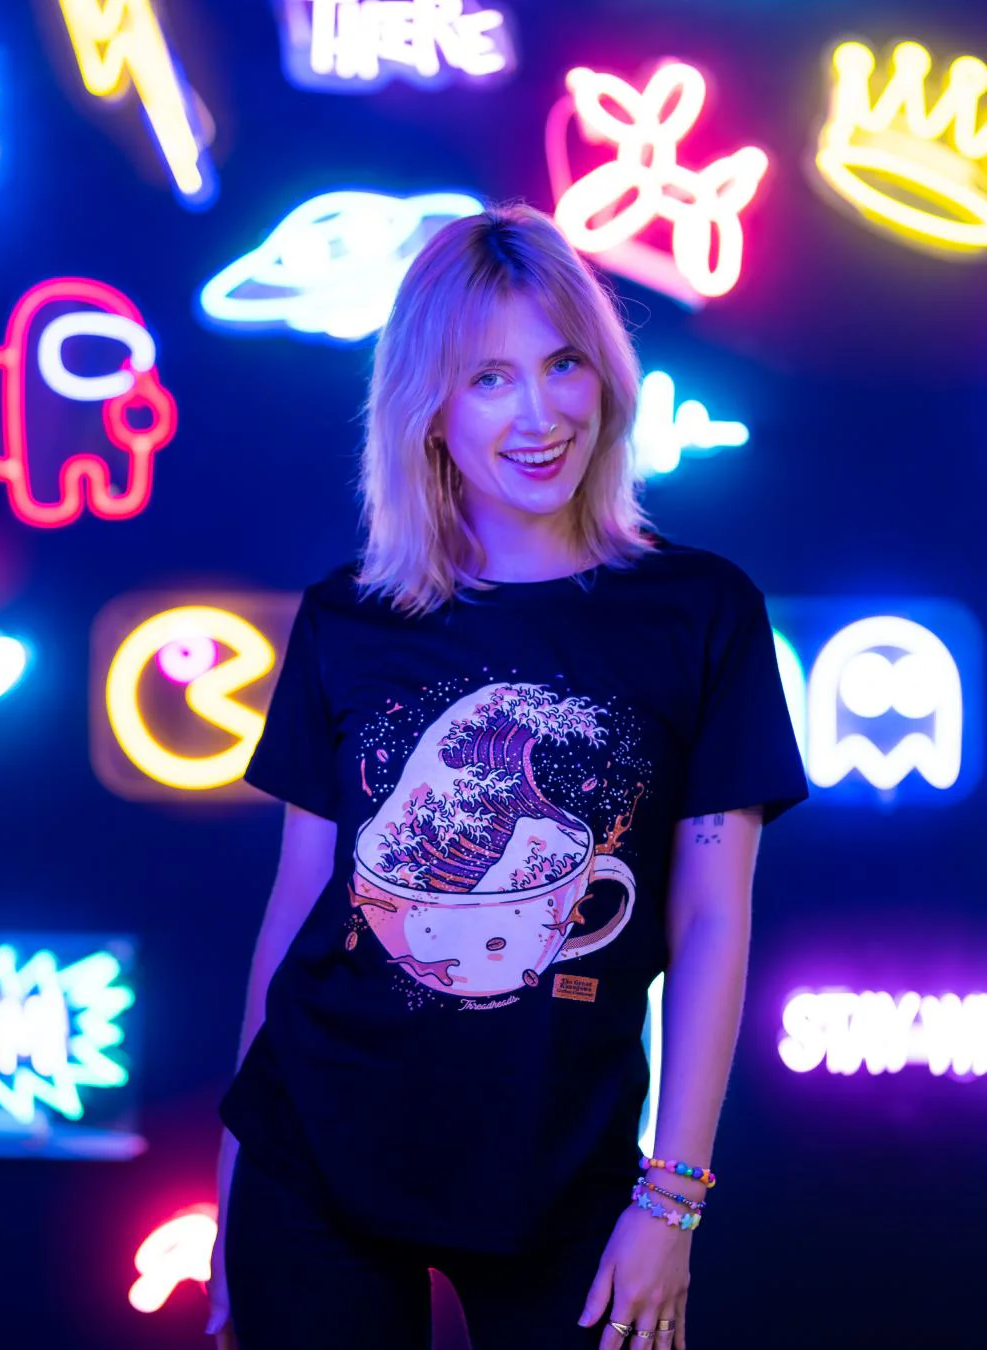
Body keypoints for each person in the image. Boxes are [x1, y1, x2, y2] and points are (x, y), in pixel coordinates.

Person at [207, 201, 808, 1350]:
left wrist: (671, 1200)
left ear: (606, 376)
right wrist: (235, 1194)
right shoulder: (350, 617)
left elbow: (710, 920)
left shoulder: (701, 612)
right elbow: (295, 912)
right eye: (489, 379)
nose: (540, 415)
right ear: (428, 408)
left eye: (562, 364)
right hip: (313, 1161)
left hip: (568, 1171)